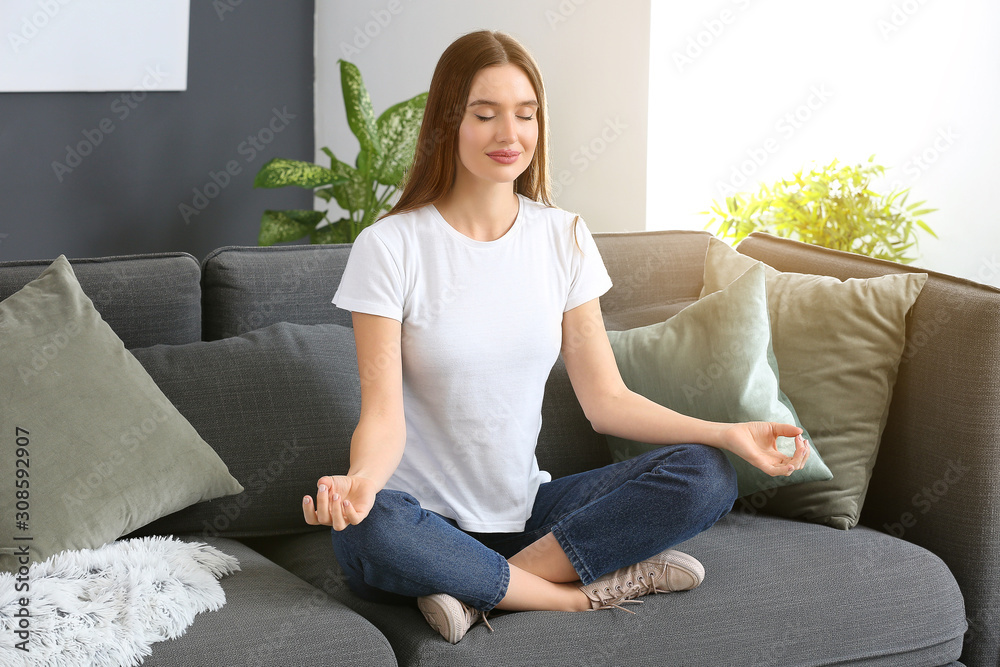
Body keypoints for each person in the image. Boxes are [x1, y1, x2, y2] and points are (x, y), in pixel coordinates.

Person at [303, 29, 810, 644]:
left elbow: (607, 402)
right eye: (484, 114)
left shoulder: (563, 237)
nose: (508, 135)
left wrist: (726, 432)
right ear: (445, 123)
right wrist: (359, 484)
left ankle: (479, 589)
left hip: (529, 518)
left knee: (707, 474)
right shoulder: (390, 247)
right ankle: (568, 599)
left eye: (525, 114)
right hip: (422, 524)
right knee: (369, 528)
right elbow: (382, 418)